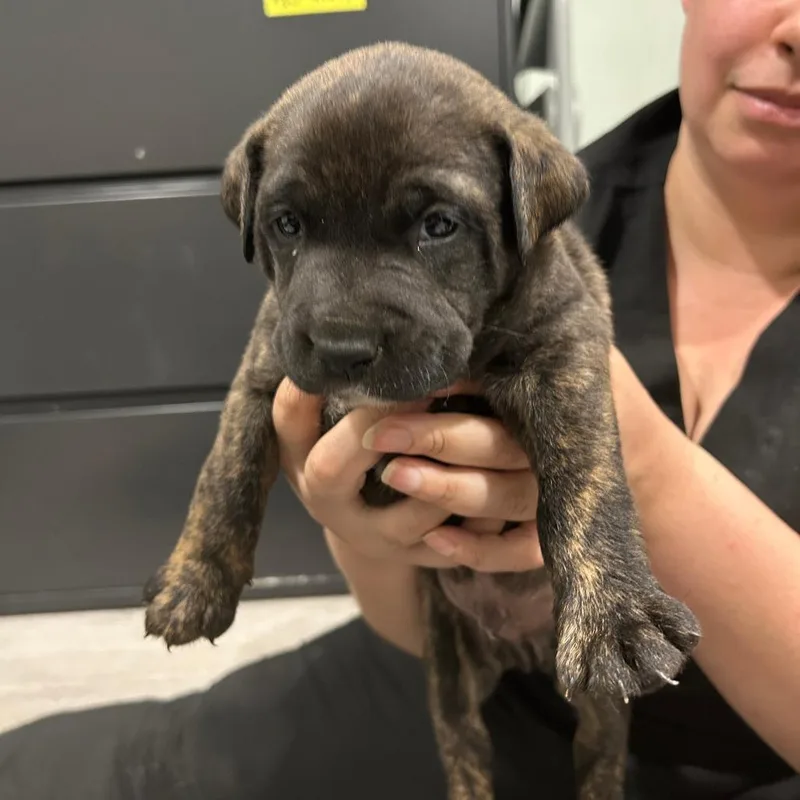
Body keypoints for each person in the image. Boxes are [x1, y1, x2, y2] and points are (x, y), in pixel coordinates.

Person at [1, 1, 798, 798]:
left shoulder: (526, 201)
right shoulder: (543, 171)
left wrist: (647, 474)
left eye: (436, 225)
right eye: (291, 225)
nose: (342, 320)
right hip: (437, 649)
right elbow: (275, 421)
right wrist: (359, 536)